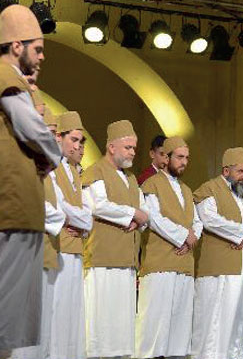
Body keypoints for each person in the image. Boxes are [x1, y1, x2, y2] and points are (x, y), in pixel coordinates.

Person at [0, 4, 61, 357]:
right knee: (6, 316)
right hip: (13, 211)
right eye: (37, 49)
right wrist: (50, 157)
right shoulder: (8, 79)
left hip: (12, 211)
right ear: (17, 46)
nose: (41, 58)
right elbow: (36, 132)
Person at [81, 120, 148, 359]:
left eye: (134, 148)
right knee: (100, 321)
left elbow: (145, 210)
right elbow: (99, 205)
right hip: (103, 259)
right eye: (128, 147)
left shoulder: (130, 179)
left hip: (127, 260)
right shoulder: (95, 171)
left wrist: (140, 217)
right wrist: (132, 214)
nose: (132, 152)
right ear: (111, 147)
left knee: (122, 322)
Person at [192, 147, 243, 359]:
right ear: (226, 171)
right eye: (240, 171)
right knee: (216, 325)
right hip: (219, 269)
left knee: (240, 323)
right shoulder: (210, 189)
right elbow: (210, 219)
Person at [135, 137, 202, 359]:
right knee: (154, 328)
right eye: (180, 157)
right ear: (166, 158)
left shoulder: (186, 190)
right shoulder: (151, 184)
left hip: (184, 265)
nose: (184, 162)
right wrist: (183, 236)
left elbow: (197, 221)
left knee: (180, 331)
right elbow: (154, 218)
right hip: (160, 265)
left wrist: (192, 237)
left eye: (187, 158)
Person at [49, 111, 93, 359]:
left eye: (81, 141)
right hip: (58, 249)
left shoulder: (76, 172)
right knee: (57, 311)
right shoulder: (51, 167)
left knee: (73, 312)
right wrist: (77, 217)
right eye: (74, 140)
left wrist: (78, 220)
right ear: (59, 137)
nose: (78, 146)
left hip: (76, 248)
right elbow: (59, 205)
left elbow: (88, 214)